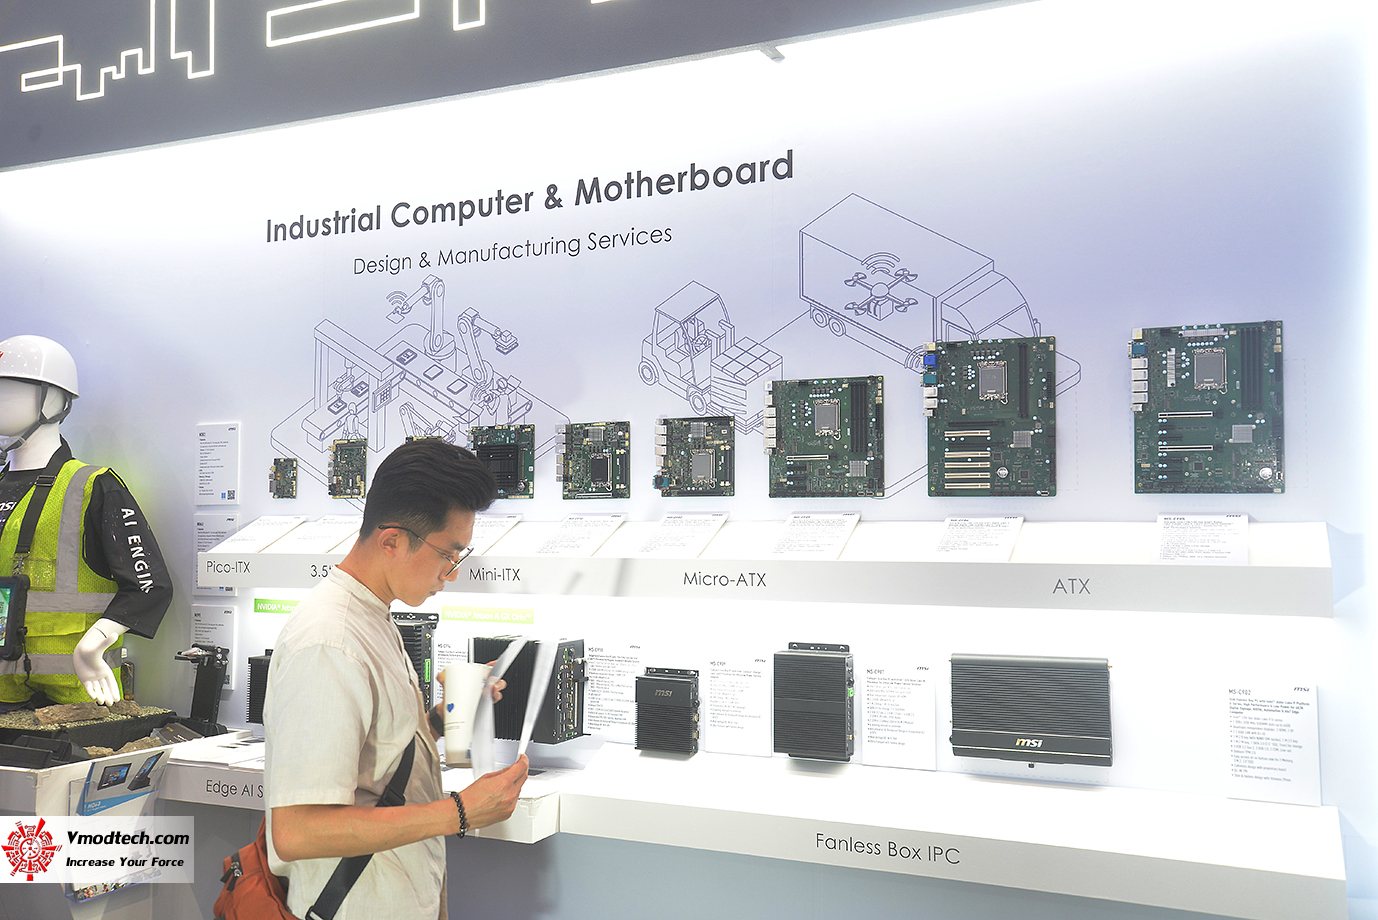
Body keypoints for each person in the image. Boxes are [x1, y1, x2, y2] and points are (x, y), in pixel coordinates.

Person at [263, 438, 528, 920]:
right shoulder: (330, 641)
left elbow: (375, 759)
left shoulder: (373, 616)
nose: (451, 573)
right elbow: (298, 831)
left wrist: (442, 719)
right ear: (391, 541)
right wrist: (460, 811)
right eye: (449, 553)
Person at [0, 335, 173, 707]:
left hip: (75, 699)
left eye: (9, 389)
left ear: (53, 400)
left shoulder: (92, 487)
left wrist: (93, 646)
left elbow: (150, 586)